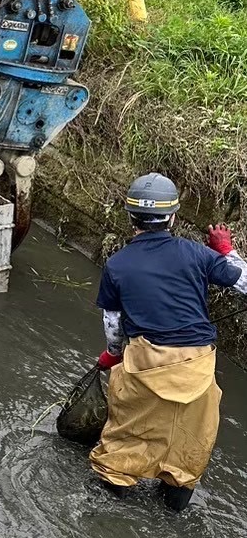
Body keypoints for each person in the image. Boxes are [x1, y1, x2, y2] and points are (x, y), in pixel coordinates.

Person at [90, 173, 247, 510]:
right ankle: (173, 505)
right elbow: (244, 282)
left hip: (146, 364)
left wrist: (112, 355)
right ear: (172, 217)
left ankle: (107, 507)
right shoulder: (196, 254)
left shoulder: (117, 266)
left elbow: (114, 324)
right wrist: (227, 251)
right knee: (189, 447)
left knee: (124, 440)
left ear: (131, 217)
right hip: (197, 367)